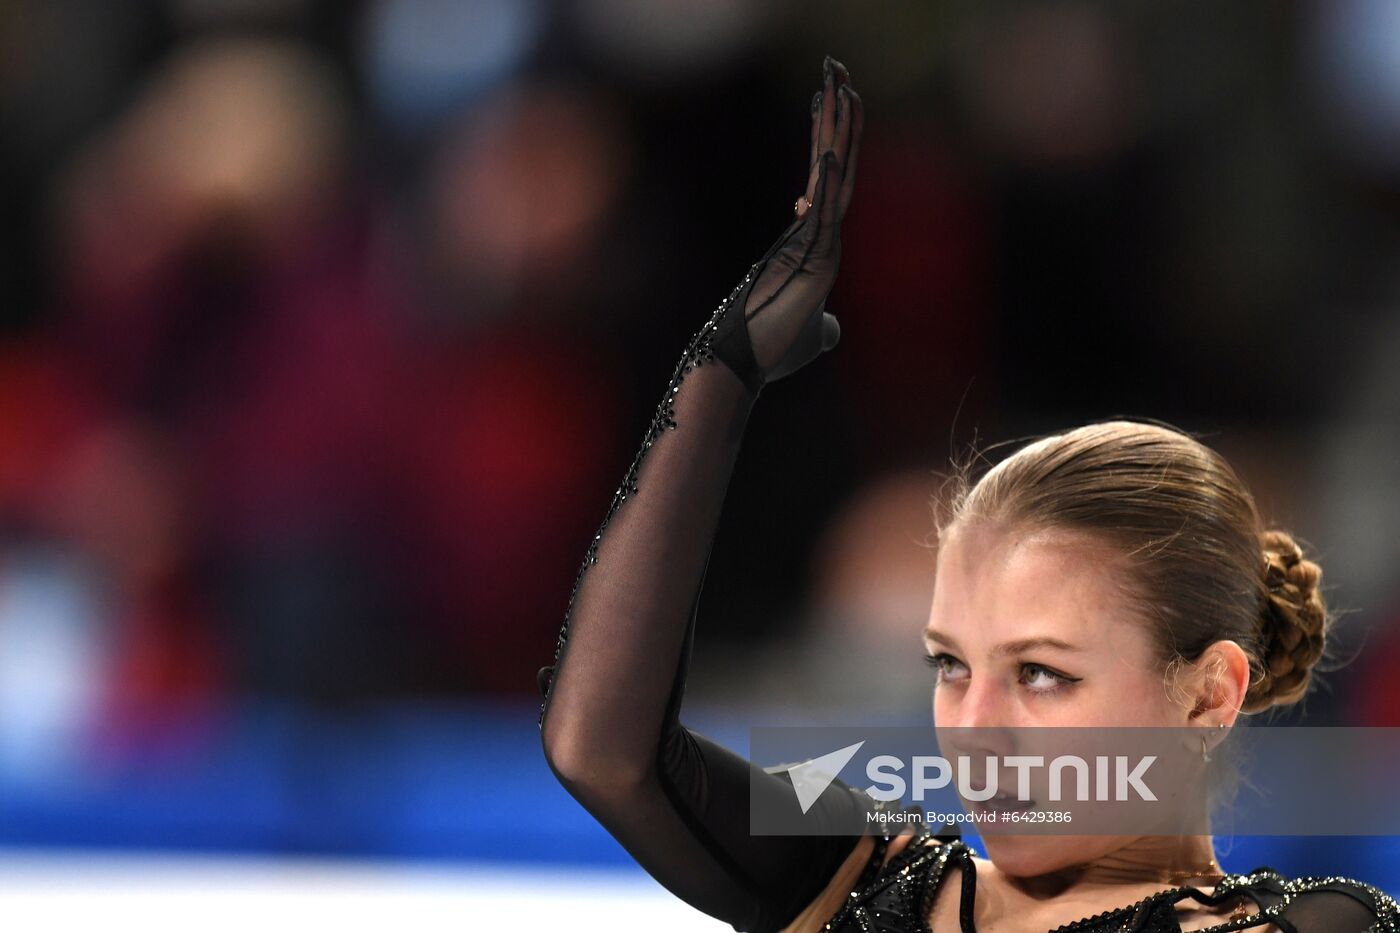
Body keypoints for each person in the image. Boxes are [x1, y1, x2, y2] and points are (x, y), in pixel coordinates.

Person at [535, 56, 1400, 933]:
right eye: (951, 665)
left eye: (1041, 673)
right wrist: (722, 374)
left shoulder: (1313, 925)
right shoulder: (869, 877)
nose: (974, 730)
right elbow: (606, 752)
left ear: (1209, 693)